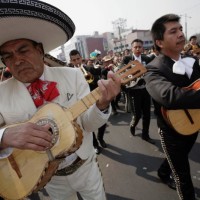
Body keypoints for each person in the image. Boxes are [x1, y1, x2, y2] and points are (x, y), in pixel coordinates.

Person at [0, 1, 121, 200]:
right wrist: (4, 136)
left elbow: (89, 124)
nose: (17, 60)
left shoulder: (72, 76)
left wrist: (102, 104)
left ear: (40, 50)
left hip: (85, 165)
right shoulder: (1, 94)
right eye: (8, 56)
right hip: (47, 178)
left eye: (23, 51)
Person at [144, 13, 200, 200]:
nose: (181, 34)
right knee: (183, 177)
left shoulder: (192, 60)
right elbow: (169, 96)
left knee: (179, 156)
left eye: (181, 29)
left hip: (193, 124)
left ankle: (162, 170)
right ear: (160, 42)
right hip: (170, 132)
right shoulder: (153, 69)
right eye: (173, 31)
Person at [122, 39, 155, 144]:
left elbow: (152, 71)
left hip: (146, 90)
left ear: (143, 48)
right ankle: (133, 125)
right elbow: (121, 72)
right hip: (134, 91)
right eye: (135, 47)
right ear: (132, 48)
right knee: (137, 115)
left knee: (147, 114)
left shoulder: (147, 58)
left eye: (140, 47)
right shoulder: (127, 59)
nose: (138, 49)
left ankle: (145, 135)